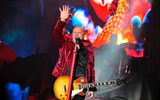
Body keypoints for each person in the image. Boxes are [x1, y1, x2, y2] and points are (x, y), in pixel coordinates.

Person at [51, 5, 96, 100]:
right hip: (64, 83)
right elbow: (57, 34)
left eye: (78, 32)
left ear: (84, 35)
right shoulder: (65, 44)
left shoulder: (89, 51)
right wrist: (62, 20)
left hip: (80, 85)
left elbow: (91, 70)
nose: (76, 34)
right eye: (74, 32)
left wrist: (91, 88)